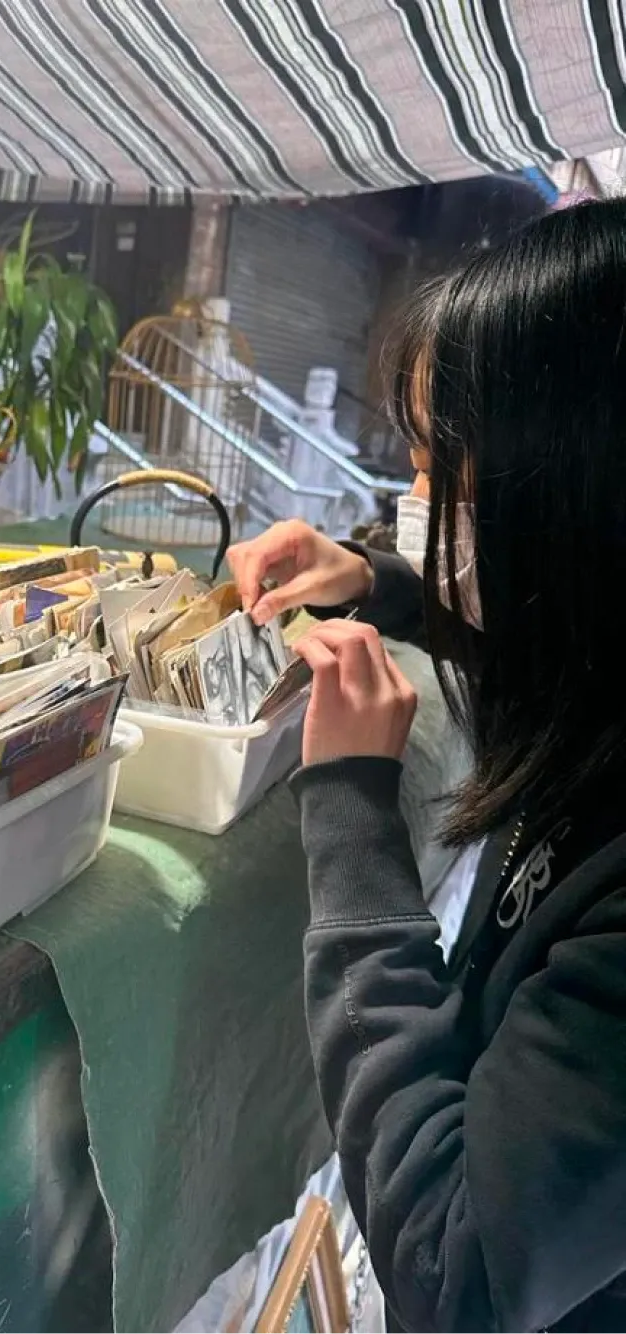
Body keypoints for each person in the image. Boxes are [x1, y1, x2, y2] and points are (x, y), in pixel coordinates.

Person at [226, 199, 626, 1334]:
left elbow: (459, 1274)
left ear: (574, 494)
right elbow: (552, 630)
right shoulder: (597, 673)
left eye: (439, 472)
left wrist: (351, 812)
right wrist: (376, 580)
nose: (413, 504)